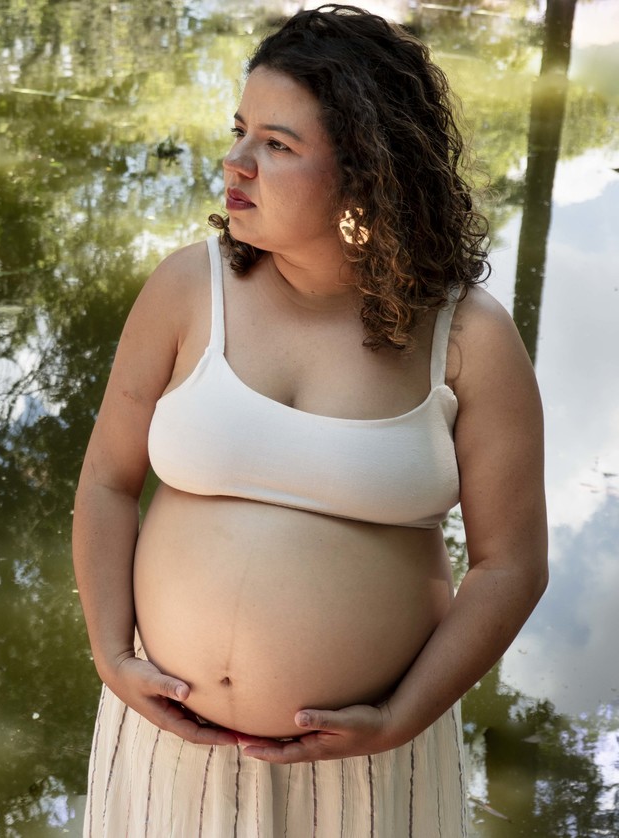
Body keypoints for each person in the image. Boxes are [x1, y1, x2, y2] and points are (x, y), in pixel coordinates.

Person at [72, 4, 547, 835]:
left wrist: (404, 718)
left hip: (368, 771)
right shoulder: (188, 289)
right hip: (167, 751)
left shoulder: (466, 336)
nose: (235, 162)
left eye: (277, 145)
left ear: (366, 171)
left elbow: (510, 565)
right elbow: (108, 483)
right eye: (240, 131)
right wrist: (112, 658)